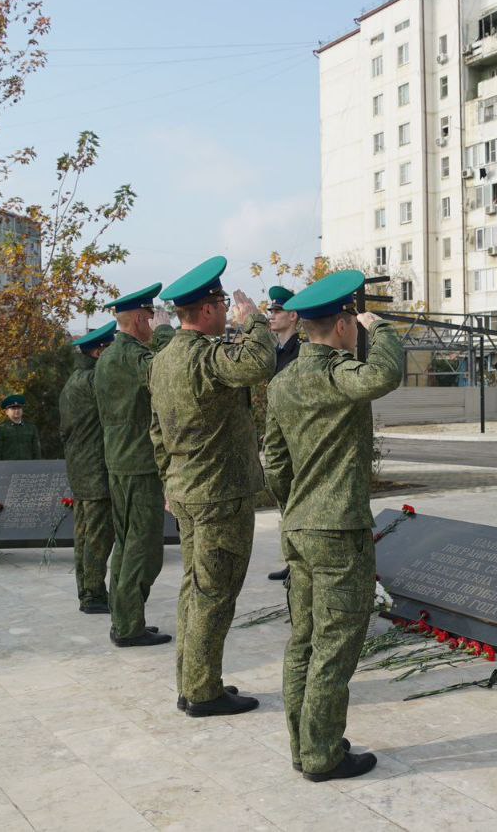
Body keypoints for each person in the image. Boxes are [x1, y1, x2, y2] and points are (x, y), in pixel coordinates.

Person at [265, 270, 402, 781]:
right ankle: (323, 753)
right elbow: (382, 377)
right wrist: (382, 329)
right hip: (338, 529)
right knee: (336, 641)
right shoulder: (336, 371)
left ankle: (304, 747)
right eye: (355, 322)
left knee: (303, 638)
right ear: (344, 324)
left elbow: (274, 461)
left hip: (299, 527)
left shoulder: (282, 381)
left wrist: (294, 508)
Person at [150, 255, 275, 716]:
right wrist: (256, 321)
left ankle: (193, 680)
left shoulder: (162, 361)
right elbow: (260, 362)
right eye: (222, 303)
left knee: (194, 588)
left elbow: (156, 432)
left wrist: (169, 480)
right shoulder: (206, 357)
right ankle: (202, 693)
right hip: (220, 494)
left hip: (186, 491)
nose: (227, 310)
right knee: (214, 593)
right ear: (204, 311)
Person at [95, 286, 176, 646]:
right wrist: (165, 333)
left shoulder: (109, 356)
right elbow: (167, 372)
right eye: (152, 318)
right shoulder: (130, 355)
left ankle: (125, 619)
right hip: (139, 463)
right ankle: (128, 626)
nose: (154, 323)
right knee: (143, 549)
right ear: (142, 319)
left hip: (121, 461)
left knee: (128, 545)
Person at [62, 321, 118, 614]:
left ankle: (87, 590)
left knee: (84, 534)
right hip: (95, 470)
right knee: (97, 535)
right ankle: (94, 594)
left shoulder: (75, 379)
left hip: (82, 468)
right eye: (109, 348)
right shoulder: (91, 381)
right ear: (99, 353)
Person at [266, 284, 301, 583]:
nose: (271, 315)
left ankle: (300, 562)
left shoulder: (300, 352)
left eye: (277, 311)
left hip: (295, 437)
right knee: (284, 501)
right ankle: (292, 560)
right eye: (270, 310)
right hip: (280, 437)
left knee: (296, 500)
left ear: (293, 316)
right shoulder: (274, 352)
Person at [0, 395, 42, 460]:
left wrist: (37, 466)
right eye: (13, 408)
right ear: (6, 412)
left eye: (19, 408)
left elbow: (36, 451)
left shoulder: (31, 428)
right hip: (8, 467)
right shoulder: (1, 429)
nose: (17, 411)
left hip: (28, 466)